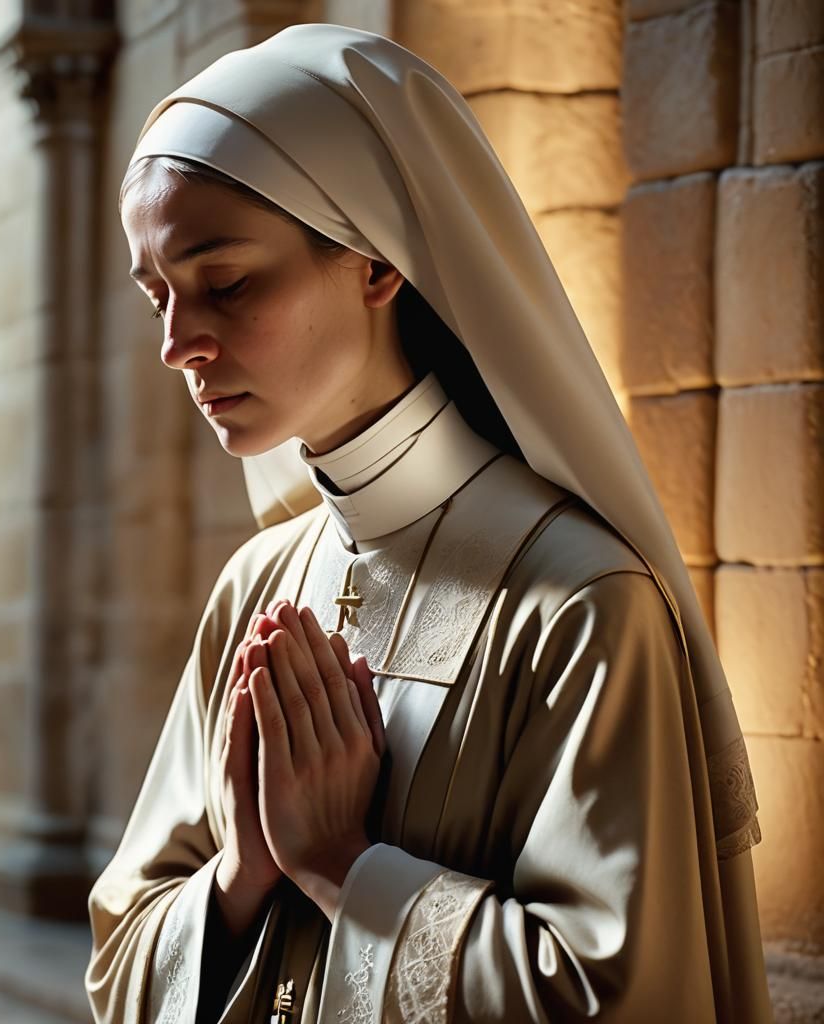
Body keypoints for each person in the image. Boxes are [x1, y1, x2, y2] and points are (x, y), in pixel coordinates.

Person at [85, 23, 771, 1024]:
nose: (177, 345)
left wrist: (341, 869)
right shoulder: (257, 584)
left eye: (224, 283)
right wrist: (239, 876)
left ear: (375, 262)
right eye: (159, 296)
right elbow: (120, 962)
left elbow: (620, 1000)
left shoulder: (578, 603)